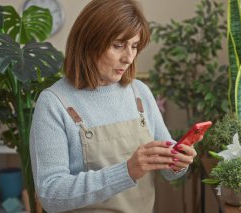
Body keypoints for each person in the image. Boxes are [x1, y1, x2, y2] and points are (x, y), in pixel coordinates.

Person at [29, 0, 199, 212]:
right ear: (89, 42)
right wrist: (127, 171)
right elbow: (51, 194)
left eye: (134, 46)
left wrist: (178, 161)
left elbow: (168, 170)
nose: (128, 57)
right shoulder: (54, 103)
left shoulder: (140, 93)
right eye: (118, 45)